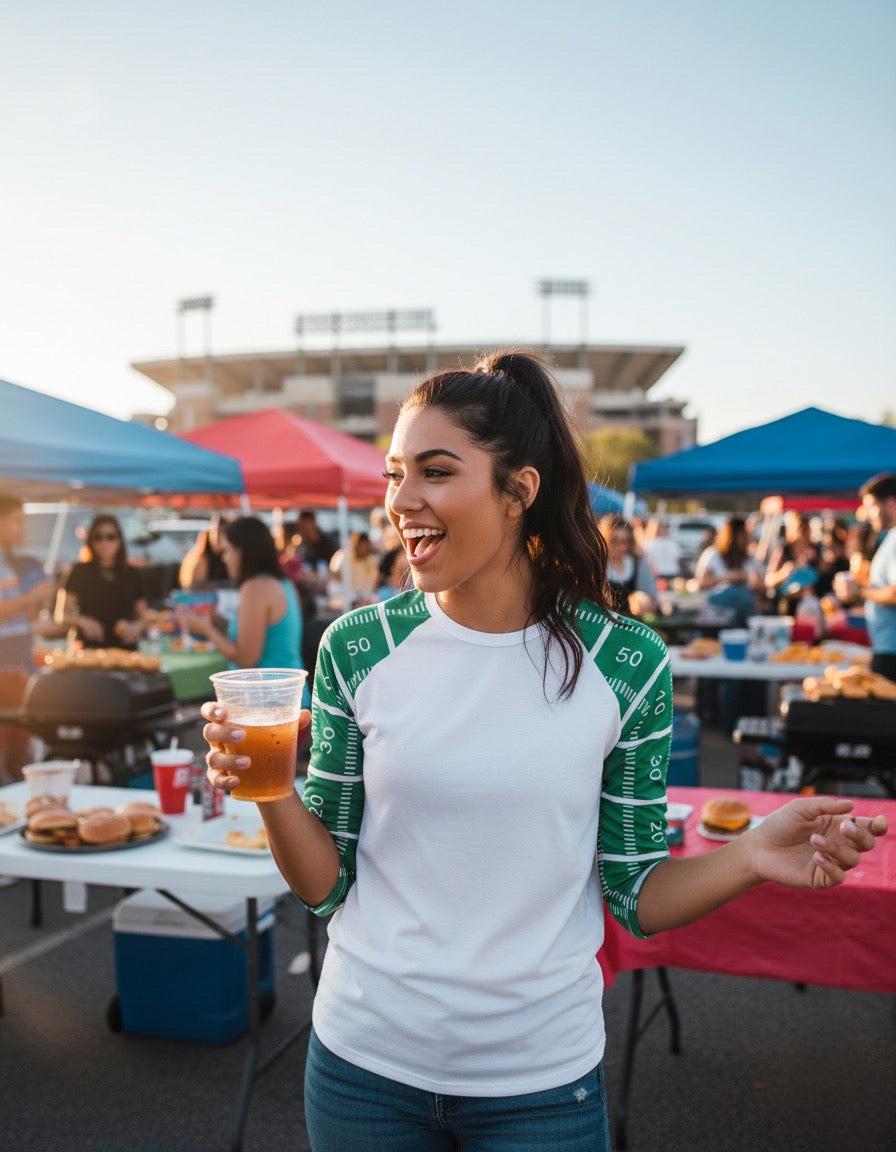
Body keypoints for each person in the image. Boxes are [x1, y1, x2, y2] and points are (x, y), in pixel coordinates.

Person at [200, 350, 886, 1151]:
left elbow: (634, 892)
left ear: (519, 490)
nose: (402, 502)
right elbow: (326, 886)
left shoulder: (626, 662)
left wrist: (750, 857)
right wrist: (274, 791)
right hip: (364, 1067)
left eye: (435, 472)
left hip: (541, 1086)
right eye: (395, 474)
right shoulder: (357, 646)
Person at [178, 516, 306, 682]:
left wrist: (206, 629)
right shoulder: (283, 583)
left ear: (242, 551)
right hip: (286, 693)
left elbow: (246, 658)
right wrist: (218, 620)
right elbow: (263, 634)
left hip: (268, 696)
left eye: (226, 551)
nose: (224, 559)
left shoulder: (256, 588)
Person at [0, 495, 57, 782]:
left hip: (19, 669)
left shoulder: (11, 562)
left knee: (20, 752)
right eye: (17, 521)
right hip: (4, 674)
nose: (23, 528)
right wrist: (29, 598)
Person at [833, 472, 896, 682]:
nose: (867, 514)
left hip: (891, 654)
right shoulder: (889, 538)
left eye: (871, 506)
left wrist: (859, 590)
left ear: (891, 504)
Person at [55, 514, 147, 649]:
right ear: (91, 541)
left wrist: (136, 627)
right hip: (88, 650)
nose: (104, 543)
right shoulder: (78, 571)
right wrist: (82, 621)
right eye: (98, 537)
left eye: (111, 537)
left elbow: (143, 617)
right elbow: (60, 616)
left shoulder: (132, 574)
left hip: (126, 652)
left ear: (119, 541)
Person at [695, 515, 763, 625]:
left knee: (744, 597)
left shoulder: (751, 559)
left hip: (745, 608)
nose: (746, 538)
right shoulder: (713, 555)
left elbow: (760, 588)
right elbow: (701, 583)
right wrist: (727, 577)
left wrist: (755, 583)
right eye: (742, 535)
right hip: (718, 609)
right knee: (733, 593)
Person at [598, 513, 657, 618]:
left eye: (624, 541)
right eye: (614, 540)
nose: (620, 547)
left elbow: (652, 599)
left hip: (632, 626)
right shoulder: (598, 565)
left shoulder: (637, 563)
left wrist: (644, 601)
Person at [328, 531, 380, 607]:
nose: (363, 549)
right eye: (360, 545)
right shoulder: (342, 557)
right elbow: (335, 578)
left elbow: (374, 582)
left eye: (365, 545)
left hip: (364, 597)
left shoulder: (371, 561)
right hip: (344, 596)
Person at [178, 518, 230, 590]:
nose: (219, 536)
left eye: (222, 532)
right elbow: (196, 586)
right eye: (217, 531)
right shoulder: (202, 556)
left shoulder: (227, 553)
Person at [642, 516, 682, 583]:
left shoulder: (648, 543)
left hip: (657, 575)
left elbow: (647, 561)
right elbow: (677, 558)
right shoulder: (671, 542)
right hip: (672, 573)